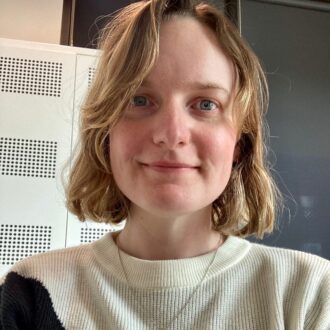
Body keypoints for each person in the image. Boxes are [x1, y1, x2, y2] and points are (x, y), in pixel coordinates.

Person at [0, 0, 329, 329]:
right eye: (139, 99)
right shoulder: (29, 293)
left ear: (240, 143)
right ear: (105, 134)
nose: (171, 135)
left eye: (205, 104)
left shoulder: (310, 295)